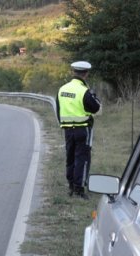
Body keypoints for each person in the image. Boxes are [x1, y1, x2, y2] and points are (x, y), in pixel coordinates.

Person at [56, 61, 101, 199]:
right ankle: (79, 188)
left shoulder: (62, 89)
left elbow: (58, 110)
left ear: (73, 72)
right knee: (82, 158)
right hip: (83, 130)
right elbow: (95, 108)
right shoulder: (84, 91)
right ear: (86, 73)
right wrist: (95, 97)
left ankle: (70, 185)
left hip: (68, 130)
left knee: (70, 156)